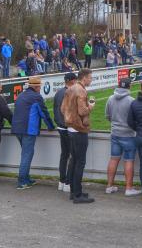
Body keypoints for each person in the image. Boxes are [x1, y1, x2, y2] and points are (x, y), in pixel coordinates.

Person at [11, 76, 55, 189]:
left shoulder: (20, 95)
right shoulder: (36, 97)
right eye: (39, 86)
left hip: (17, 128)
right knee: (27, 155)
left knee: (26, 153)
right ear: (36, 87)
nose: (40, 88)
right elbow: (44, 113)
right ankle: (22, 182)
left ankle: (26, 178)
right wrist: (51, 126)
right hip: (28, 130)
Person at [61, 68, 95, 204]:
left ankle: (75, 191)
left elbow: (62, 108)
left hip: (70, 128)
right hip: (79, 129)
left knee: (74, 161)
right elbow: (82, 111)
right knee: (80, 163)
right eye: (90, 77)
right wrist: (91, 107)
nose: (91, 80)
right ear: (84, 77)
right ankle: (77, 195)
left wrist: (69, 118)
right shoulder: (80, 90)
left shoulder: (70, 88)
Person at [105, 78, 141, 196]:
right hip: (128, 135)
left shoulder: (110, 98)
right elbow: (136, 119)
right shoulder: (131, 101)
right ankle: (128, 188)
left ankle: (109, 186)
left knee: (113, 159)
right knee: (129, 160)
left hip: (115, 133)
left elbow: (108, 116)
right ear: (129, 87)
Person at [53, 72, 77, 193]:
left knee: (64, 155)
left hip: (61, 127)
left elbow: (55, 110)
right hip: (68, 128)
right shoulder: (70, 92)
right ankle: (68, 182)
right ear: (72, 81)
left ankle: (62, 181)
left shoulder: (58, 92)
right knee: (72, 155)